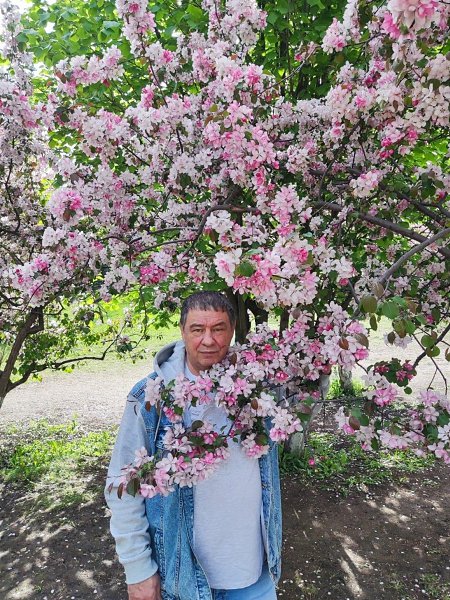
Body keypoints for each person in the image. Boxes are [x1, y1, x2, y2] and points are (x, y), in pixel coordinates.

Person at [105, 291, 282, 600]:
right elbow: (122, 484)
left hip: (253, 575)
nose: (208, 340)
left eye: (219, 328)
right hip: (183, 580)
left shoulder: (258, 388)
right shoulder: (151, 398)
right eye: (197, 329)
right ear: (183, 331)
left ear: (233, 330)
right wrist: (138, 570)